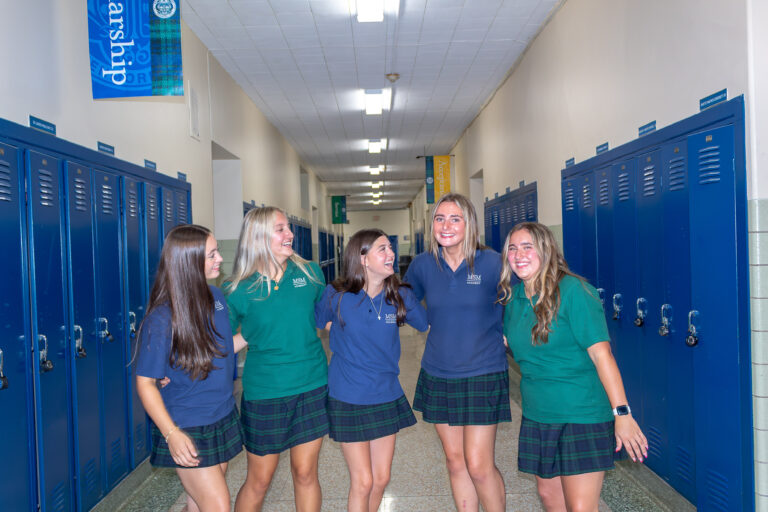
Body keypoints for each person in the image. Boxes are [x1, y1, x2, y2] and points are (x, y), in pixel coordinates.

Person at [498, 222, 648, 512]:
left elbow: (602, 356)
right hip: (538, 414)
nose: (519, 254)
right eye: (513, 248)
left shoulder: (574, 291)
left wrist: (622, 414)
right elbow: (517, 349)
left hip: (581, 414)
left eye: (528, 246)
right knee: (549, 496)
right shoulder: (515, 300)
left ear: (546, 250)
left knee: (580, 507)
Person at [403, 193, 509, 512]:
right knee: (454, 461)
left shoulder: (491, 263)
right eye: (440, 219)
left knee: (478, 464)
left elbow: (517, 299)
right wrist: (426, 324)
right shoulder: (423, 265)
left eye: (455, 219)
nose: (446, 225)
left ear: (469, 224)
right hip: (438, 371)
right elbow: (404, 297)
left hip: (482, 371)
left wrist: (509, 334)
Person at [315, 229, 428, 512]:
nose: (390, 254)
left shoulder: (399, 295)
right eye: (382, 249)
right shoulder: (337, 294)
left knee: (381, 478)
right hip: (348, 395)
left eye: (390, 247)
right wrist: (341, 333)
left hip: (385, 393)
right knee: (363, 481)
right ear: (362, 258)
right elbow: (317, 322)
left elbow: (427, 324)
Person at [135, 224, 245, 512]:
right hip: (188, 424)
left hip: (221, 414)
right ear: (189, 262)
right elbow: (146, 383)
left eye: (217, 251)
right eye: (211, 255)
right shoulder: (162, 318)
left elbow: (220, 351)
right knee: (218, 505)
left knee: (198, 502)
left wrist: (254, 333)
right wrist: (171, 433)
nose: (220, 259)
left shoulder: (216, 298)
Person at [225, 207, 327, 512]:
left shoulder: (311, 274)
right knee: (260, 479)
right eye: (280, 229)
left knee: (306, 472)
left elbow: (328, 318)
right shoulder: (236, 289)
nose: (290, 234)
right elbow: (221, 346)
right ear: (258, 237)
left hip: (311, 384)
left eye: (289, 228)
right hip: (265, 392)